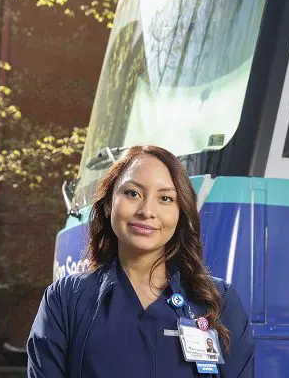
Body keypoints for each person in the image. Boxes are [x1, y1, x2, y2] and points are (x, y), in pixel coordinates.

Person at [27, 145, 254, 377]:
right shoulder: (65, 300)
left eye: (165, 198)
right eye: (132, 193)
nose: (147, 211)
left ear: (180, 213)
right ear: (108, 204)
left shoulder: (219, 300)